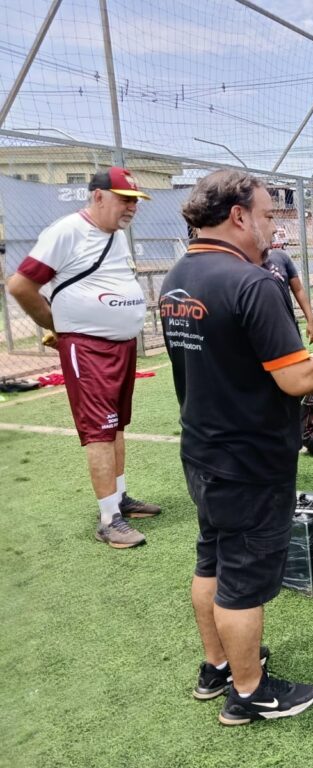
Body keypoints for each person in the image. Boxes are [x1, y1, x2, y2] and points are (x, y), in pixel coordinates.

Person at [159, 169, 313, 725]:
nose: (273, 227)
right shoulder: (253, 283)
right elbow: (297, 379)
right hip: (249, 459)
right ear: (238, 216)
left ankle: (217, 668)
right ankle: (250, 693)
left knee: (212, 558)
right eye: (266, 214)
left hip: (203, 450)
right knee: (241, 579)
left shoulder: (179, 276)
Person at [8, 166, 160, 548]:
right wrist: (58, 326)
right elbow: (21, 285)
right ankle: (109, 520)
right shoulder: (66, 231)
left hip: (121, 346)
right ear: (98, 196)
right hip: (88, 348)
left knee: (117, 425)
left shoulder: (115, 236)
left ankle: (119, 498)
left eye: (136, 201)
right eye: (125, 200)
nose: (132, 208)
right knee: (100, 430)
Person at [263, 239, 313, 343]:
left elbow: (298, 289)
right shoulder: (243, 264)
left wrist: (310, 319)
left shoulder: (280, 257)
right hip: (263, 330)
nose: (274, 231)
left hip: (288, 325)